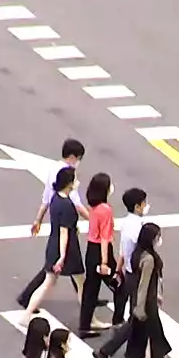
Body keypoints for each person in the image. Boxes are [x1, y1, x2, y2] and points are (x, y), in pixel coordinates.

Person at [17, 139, 88, 309]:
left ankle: (85, 296)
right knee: (61, 268)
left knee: (67, 268)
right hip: (65, 223)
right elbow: (76, 203)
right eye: (78, 158)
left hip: (59, 219)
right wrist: (96, 220)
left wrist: (38, 219)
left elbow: (46, 197)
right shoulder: (67, 175)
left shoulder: (54, 169)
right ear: (72, 157)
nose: (79, 162)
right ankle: (28, 296)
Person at [94, 188, 151, 358]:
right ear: (137, 206)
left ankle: (157, 352)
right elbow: (137, 252)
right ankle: (105, 351)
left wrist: (119, 269)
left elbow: (122, 250)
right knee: (139, 316)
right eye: (143, 203)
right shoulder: (138, 228)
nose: (145, 206)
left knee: (148, 317)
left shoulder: (127, 223)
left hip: (128, 273)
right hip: (138, 275)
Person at [22, 167, 86, 324]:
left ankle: (26, 315)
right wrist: (63, 256)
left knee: (48, 283)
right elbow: (65, 232)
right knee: (81, 283)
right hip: (67, 248)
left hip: (53, 243)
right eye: (75, 180)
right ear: (69, 184)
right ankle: (88, 319)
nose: (77, 182)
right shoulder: (66, 205)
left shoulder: (55, 199)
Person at [123, 224, 169, 358]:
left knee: (143, 337)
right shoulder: (148, 259)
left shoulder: (138, 254)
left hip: (143, 300)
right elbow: (144, 285)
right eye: (157, 236)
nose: (159, 239)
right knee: (151, 338)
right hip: (147, 303)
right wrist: (141, 308)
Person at [78, 173, 122, 337]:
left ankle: (84, 325)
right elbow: (104, 238)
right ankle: (119, 320)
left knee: (90, 289)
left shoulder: (95, 207)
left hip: (91, 250)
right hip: (101, 252)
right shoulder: (105, 210)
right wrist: (105, 262)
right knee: (120, 285)